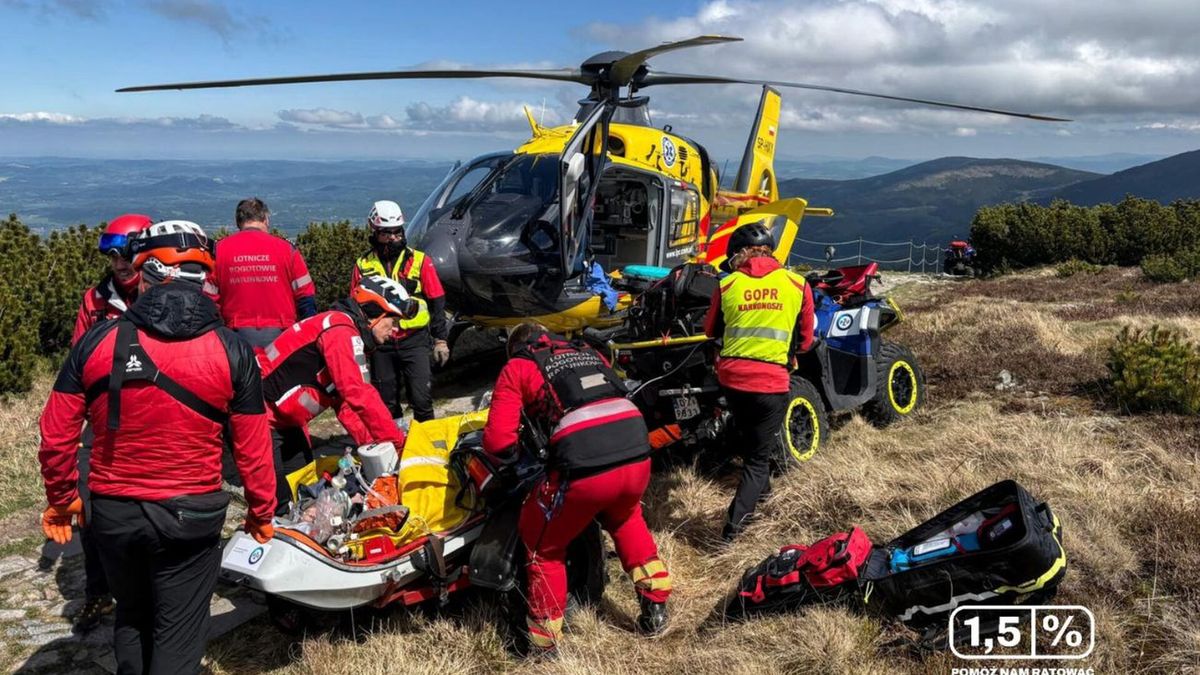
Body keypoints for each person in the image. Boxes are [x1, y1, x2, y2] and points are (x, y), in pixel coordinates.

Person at [38, 220, 277, 675]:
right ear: (205, 277)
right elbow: (253, 444)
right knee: (179, 630)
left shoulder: (98, 342)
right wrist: (261, 511)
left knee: (131, 615)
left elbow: (56, 434)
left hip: (112, 509)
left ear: (146, 272)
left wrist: (62, 497)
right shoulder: (232, 350)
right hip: (191, 513)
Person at [482, 323, 670, 655]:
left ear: (516, 348)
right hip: (636, 449)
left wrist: (512, 462)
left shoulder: (519, 365)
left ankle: (544, 643)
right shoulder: (588, 352)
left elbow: (499, 442)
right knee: (626, 518)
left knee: (544, 545)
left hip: (583, 464)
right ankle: (655, 605)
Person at [258, 275, 413, 512]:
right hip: (258, 420)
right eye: (392, 323)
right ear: (375, 313)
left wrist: (373, 447)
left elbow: (344, 404)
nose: (394, 331)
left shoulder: (344, 330)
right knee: (275, 504)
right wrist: (397, 444)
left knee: (300, 491)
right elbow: (359, 393)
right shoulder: (340, 330)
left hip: (285, 423)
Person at [67, 213, 152, 631]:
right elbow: (78, 361)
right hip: (103, 422)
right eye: (112, 255)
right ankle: (98, 593)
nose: (119, 263)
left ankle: (153, 590)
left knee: (153, 507)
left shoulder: (163, 295)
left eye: (127, 253)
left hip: (155, 419)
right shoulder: (95, 301)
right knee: (91, 508)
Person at [703, 222, 814, 542]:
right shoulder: (797, 283)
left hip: (733, 381)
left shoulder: (727, 284)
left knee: (753, 443)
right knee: (757, 460)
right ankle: (731, 534)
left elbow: (711, 331)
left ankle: (764, 501)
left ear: (739, 254)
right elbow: (806, 342)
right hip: (772, 383)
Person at [351, 200, 449, 423]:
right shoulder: (363, 265)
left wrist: (441, 339)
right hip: (381, 345)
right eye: (387, 233)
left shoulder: (420, 261)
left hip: (414, 340)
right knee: (387, 403)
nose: (394, 237)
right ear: (374, 231)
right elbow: (355, 308)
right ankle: (396, 446)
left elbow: (437, 302)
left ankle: (428, 448)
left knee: (422, 400)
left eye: (397, 232)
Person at [212, 197, 317, 349]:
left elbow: (209, 299)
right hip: (283, 337)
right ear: (266, 219)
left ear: (238, 222)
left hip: (235, 337)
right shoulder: (287, 250)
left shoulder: (219, 250)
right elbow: (306, 296)